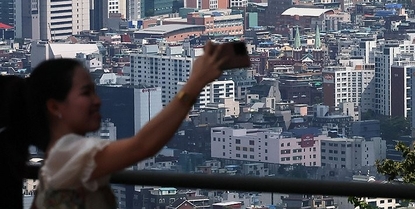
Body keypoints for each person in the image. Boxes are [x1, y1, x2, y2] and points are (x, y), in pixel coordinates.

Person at [14, 40, 250, 209]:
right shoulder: (69, 154)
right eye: (86, 93)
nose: (97, 101)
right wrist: (195, 83)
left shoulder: (55, 160)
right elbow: (142, 146)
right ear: (55, 107)